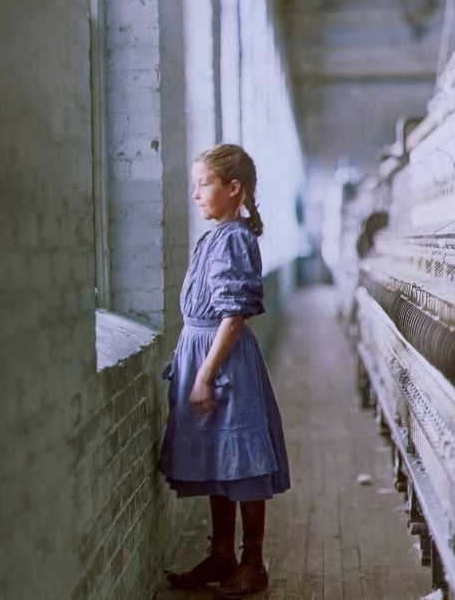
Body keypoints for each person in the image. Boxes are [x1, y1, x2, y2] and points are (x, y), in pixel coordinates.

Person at [159, 144, 291, 599]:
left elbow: (234, 314)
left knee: (243, 461)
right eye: (195, 184)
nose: (196, 193)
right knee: (220, 456)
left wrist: (204, 373)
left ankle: (253, 564)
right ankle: (221, 555)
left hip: (223, 361)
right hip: (204, 351)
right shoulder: (216, 236)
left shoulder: (234, 238)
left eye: (204, 184)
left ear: (233, 188)